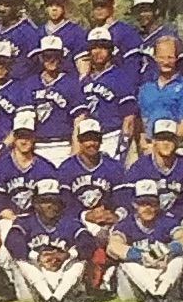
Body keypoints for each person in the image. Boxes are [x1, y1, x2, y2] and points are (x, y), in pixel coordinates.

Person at [125, 119, 183, 291]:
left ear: (177, 141)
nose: (166, 143)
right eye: (161, 138)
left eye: (170, 139)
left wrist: (170, 216)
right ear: (153, 141)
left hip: (174, 217)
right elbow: (127, 199)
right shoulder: (140, 167)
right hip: (147, 218)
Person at [56, 117, 130, 291]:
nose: (91, 143)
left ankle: (111, 274)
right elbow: (63, 205)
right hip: (78, 220)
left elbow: (124, 199)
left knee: (119, 235)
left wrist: (116, 215)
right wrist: (86, 215)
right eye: (86, 139)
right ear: (79, 141)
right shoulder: (67, 168)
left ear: (101, 140)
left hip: (107, 219)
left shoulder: (113, 167)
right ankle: (85, 279)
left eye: (95, 138)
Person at [3, 177, 95, 302]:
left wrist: (67, 255)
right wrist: (38, 257)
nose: (50, 205)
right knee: (22, 260)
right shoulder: (25, 221)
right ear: (35, 203)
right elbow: (12, 241)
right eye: (45, 201)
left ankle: (54, 300)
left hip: (61, 278)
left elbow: (88, 242)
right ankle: (52, 298)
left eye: (54, 201)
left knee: (79, 261)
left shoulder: (70, 222)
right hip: (34, 283)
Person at [106, 178, 183, 302]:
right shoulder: (126, 224)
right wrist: (142, 257)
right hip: (135, 284)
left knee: (179, 258)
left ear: (158, 205)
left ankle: (158, 296)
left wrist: (161, 253)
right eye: (143, 203)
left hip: (160, 272)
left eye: (152, 203)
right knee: (127, 262)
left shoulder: (166, 220)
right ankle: (158, 295)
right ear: (135, 205)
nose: (147, 208)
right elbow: (114, 246)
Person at [0, 109, 57, 275]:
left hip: (38, 220)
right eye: (20, 136)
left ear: (34, 137)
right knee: (6, 251)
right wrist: (14, 218)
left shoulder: (45, 167)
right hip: (10, 218)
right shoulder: (1, 165)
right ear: (14, 138)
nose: (24, 141)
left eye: (28, 136)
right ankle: (13, 281)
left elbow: (52, 203)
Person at [24, 34, 89, 167]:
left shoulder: (71, 83)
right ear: (41, 57)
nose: (52, 60)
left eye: (56, 56)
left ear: (61, 57)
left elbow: (79, 119)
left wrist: (75, 150)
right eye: (47, 56)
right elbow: (24, 119)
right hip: (36, 146)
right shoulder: (30, 83)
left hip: (63, 145)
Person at [80, 26, 139, 162]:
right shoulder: (84, 80)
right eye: (94, 47)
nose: (98, 51)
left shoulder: (121, 77)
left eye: (103, 47)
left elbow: (129, 118)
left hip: (111, 137)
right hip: (87, 139)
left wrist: (122, 148)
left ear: (111, 50)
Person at [136, 36, 183, 154]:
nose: (166, 62)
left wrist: (162, 145)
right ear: (155, 58)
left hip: (176, 148)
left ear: (177, 58)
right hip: (149, 149)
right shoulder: (146, 88)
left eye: (170, 57)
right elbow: (143, 123)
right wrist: (146, 145)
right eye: (161, 57)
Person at [127, 0, 183, 82]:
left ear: (156, 11)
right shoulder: (133, 37)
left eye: (146, 10)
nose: (142, 14)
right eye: (138, 11)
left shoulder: (169, 36)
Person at [33, 0, 90, 78]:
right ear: (45, 7)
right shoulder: (37, 33)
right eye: (50, 5)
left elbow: (83, 69)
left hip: (69, 83)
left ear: (65, 5)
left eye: (58, 4)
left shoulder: (77, 32)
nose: (54, 9)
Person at [0, 0, 41, 80]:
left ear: (17, 5)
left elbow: (36, 66)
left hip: (20, 84)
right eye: (0, 3)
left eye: (7, 4)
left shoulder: (28, 32)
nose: (2, 9)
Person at [86, 0, 140, 67]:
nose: (99, 8)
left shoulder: (126, 32)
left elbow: (135, 63)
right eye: (96, 5)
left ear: (112, 4)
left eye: (103, 4)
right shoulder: (90, 34)